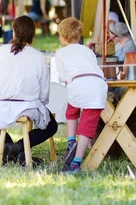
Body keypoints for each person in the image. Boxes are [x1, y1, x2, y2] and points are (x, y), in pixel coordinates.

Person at [0, 15, 58, 166]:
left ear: (14, 32)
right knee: (52, 126)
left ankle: (11, 148)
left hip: (2, 106)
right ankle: (18, 148)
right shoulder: (38, 56)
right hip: (28, 106)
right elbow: (44, 94)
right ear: (33, 34)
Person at [55, 17, 108, 173]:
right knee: (87, 125)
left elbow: (63, 77)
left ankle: (71, 140)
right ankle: (76, 162)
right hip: (98, 86)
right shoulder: (88, 50)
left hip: (77, 84)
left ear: (63, 38)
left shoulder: (61, 53)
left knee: (72, 109)